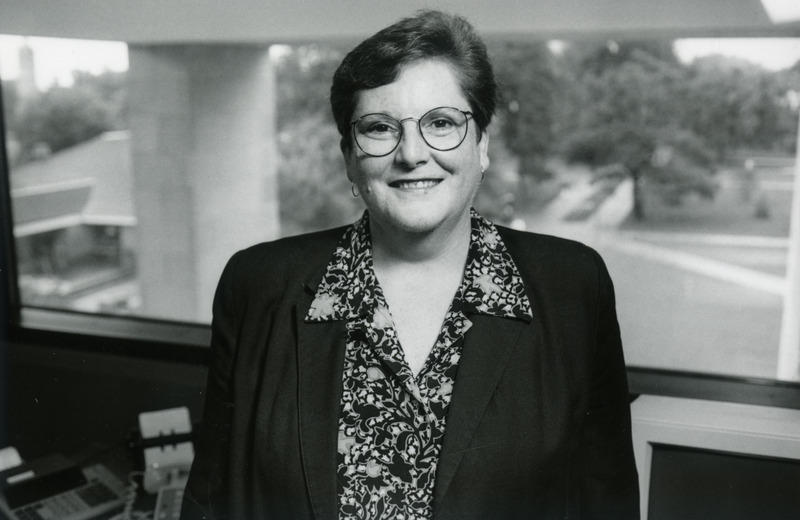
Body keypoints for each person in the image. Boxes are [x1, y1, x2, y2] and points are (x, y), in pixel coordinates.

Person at [181, 9, 639, 520]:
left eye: (442, 123)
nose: (412, 153)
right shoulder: (257, 285)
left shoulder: (574, 287)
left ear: (482, 145)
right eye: (379, 128)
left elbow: (608, 500)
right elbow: (210, 500)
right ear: (350, 157)